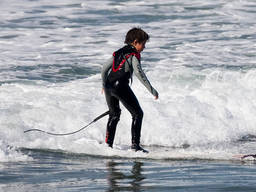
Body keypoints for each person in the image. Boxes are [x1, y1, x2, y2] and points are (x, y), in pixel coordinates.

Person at [101, 28, 158, 153]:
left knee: (114, 114)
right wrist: (152, 90)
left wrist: (103, 85)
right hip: (120, 85)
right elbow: (139, 73)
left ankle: (108, 145)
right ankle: (135, 146)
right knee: (138, 114)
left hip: (108, 85)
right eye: (143, 44)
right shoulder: (133, 54)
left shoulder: (117, 53)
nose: (144, 47)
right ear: (136, 42)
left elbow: (105, 69)